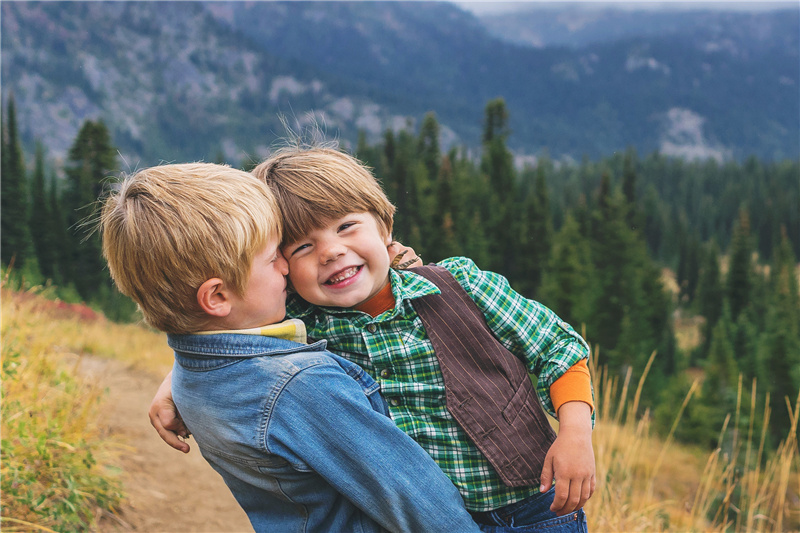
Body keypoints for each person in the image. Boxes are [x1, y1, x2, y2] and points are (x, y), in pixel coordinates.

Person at [151, 148, 596, 532]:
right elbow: (239, 339)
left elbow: (559, 348)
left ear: (385, 227)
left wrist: (575, 433)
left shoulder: (462, 285)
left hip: (534, 509)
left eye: (346, 226)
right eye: (302, 248)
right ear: (283, 268)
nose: (330, 251)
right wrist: (176, 378)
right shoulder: (306, 318)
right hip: (423, 519)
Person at [100, 162, 483, 533]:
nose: (287, 268)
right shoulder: (303, 388)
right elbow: (416, 500)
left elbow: (220, 346)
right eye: (272, 259)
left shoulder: (196, 375)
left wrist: (174, 376)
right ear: (217, 296)